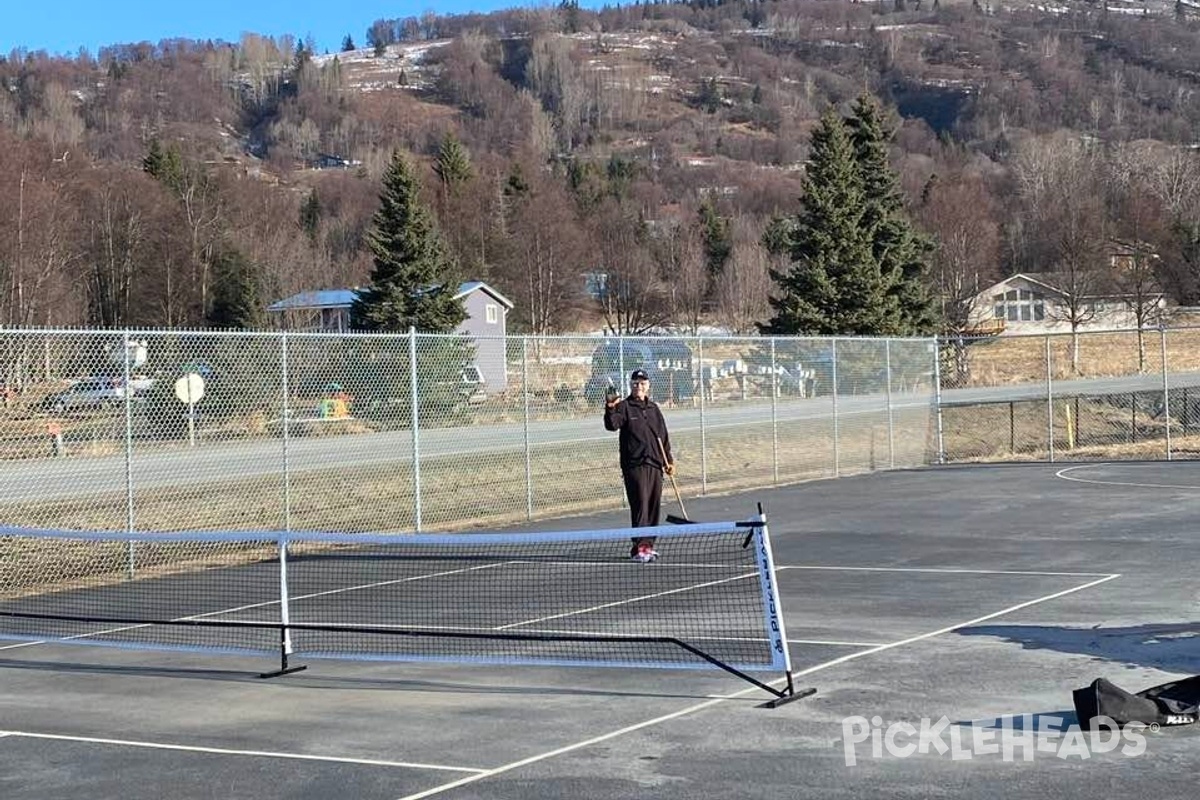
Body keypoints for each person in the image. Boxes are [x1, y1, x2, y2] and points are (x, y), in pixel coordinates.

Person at [604, 368, 675, 563]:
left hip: (654, 464)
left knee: (653, 506)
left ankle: (648, 545)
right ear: (631, 385)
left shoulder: (653, 409)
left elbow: (663, 437)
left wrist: (668, 461)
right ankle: (639, 548)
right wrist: (610, 408)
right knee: (641, 505)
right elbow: (612, 425)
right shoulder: (624, 407)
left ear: (648, 386)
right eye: (636, 383)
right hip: (635, 466)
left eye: (642, 383)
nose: (639, 387)